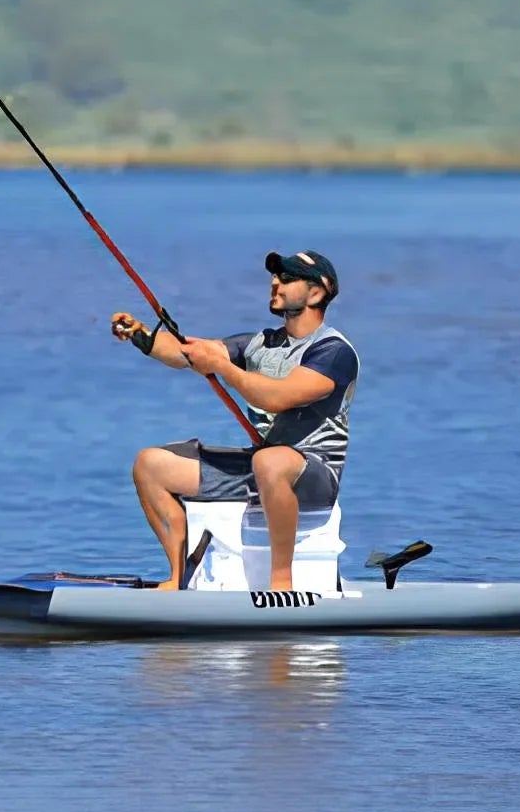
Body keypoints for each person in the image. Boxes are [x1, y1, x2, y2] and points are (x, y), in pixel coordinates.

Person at [110, 249, 358, 590]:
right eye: (274, 276)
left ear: (317, 292)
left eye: (287, 278)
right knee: (150, 465)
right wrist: (142, 336)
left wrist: (223, 368)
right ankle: (176, 577)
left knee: (270, 461)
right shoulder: (259, 343)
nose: (275, 283)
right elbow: (189, 353)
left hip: (315, 474)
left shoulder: (333, 352)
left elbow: (276, 397)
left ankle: (281, 583)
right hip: (260, 466)